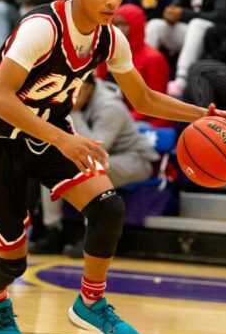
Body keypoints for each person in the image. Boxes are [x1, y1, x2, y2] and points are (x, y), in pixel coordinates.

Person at [0, 0, 226, 334]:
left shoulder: (110, 39)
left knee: (108, 206)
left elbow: (143, 98)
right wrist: (64, 139)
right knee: (12, 260)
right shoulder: (41, 27)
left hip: (49, 130)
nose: (112, 0)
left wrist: (205, 115)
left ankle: (91, 302)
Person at [29, 75, 159, 254]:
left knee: (89, 169)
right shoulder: (67, 97)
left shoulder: (110, 106)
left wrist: (74, 112)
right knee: (52, 166)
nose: (66, 94)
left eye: (72, 89)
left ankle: (92, 240)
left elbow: (95, 150)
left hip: (134, 160)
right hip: (106, 157)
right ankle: (53, 231)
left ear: (88, 88)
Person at [96, 5, 171, 127]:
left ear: (135, 26)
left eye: (124, 24)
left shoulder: (153, 58)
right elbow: (98, 90)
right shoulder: (107, 54)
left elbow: (155, 102)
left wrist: (122, 119)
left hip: (147, 122)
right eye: (116, 24)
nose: (119, 29)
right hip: (112, 117)